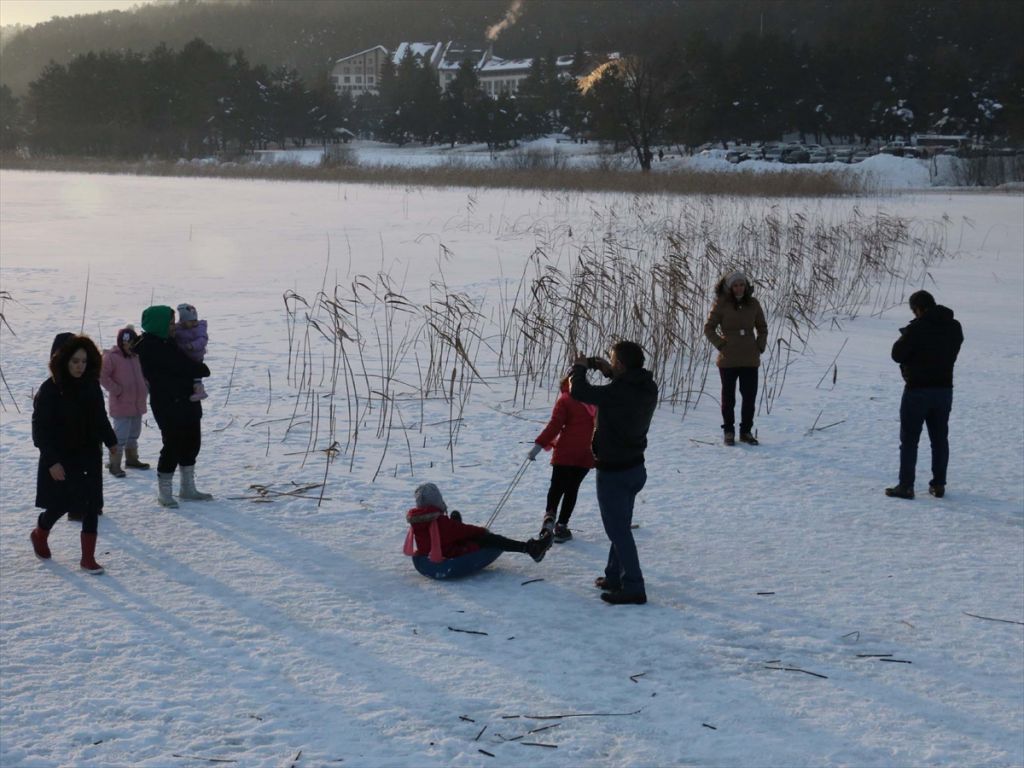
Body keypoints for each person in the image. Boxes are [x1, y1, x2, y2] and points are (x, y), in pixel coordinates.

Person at [569, 341, 658, 605]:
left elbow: (578, 391)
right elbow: (624, 384)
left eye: (613, 360)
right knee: (621, 525)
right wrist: (609, 370)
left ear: (621, 364)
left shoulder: (616, 393)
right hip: (635, 469)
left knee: (618, 531)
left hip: (613, 472)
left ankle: (634, 586)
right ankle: (614, 576)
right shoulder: (647, 386)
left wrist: (580, 368)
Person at [30, 333, 118, 574]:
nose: (80, 366)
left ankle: (87, 559)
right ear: (62, 361)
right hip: (61, 457)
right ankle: (40, 532)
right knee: (61, 504)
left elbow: (100, 417)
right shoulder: (50, 390)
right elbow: (40, 430)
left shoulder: (91, 385)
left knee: (90, 505)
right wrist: (52, 461)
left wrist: (111, 442)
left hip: (89, 453)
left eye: (84, 361)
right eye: (75, 361)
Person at [886, 290, 964, 499]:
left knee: (910, 440)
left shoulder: (916, 329)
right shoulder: (954, 326)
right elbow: (952, 348)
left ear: (918, 309)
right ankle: (939, 485)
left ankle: (906, 486)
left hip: (917, 390)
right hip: (944, 390)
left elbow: (897, 354)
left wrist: (907, 336)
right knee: (939, 439)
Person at [135, 305, 212, 507]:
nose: (174, 326)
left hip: (187, 399)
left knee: (192, 441)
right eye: (169, 323)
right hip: (168, 403)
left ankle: (187, 487)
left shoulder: (170, 341)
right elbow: (181, 366)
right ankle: (165, 491)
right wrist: (200, 369)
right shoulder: (150, 346)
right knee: (173, 443)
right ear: (158, 324)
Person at [403, 483, 552, 563]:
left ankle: (529, 548)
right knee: (489, 539)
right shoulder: (440, 522)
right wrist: (481, 531)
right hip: (450, 552)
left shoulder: (418, 521)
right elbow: (464, 531)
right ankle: (530, 548)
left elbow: (449, 531)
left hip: (437, 546)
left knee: (454, 520)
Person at [527, 374, 596, 543]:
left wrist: (538, 446)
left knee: (557, 487)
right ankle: (562, 526)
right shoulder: (595, 402)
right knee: (572, 489)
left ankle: (549, 519)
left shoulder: (565, 400)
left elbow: (554, 426)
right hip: (586, 454)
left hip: (565, 453)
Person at [703, 270, 768, 445]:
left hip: (750, 358)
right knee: (728, 397)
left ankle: (746, 431)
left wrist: (759, 346)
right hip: (728, 359)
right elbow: (709, 328)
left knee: (749, 397)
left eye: (742, 285)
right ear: (729, 287)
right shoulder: (721, 305)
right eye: (735, 285)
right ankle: (729, 431)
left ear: (746, 287)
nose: (739, 288)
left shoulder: (753, 304)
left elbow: (762, 328)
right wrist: (722, 345)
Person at [99, 325, 150, 477]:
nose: (130, 347)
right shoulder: (112, 357)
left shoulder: (137, 357)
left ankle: (132, 459)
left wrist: (146, 386)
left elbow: (144, 373)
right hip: (121, 404)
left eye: (133, 344)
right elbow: (102, 376)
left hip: (137, 403)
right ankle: (115, 464)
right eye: (127, 344)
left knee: (134, 433)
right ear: (121, 343)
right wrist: (117, 390)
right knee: (120, 436)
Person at [173, 303, 209, 401]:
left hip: (196, 356)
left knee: (196, 376)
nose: (194, 323)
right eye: (190, 321)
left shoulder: (200, 328)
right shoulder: (180, 327)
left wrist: (192, 346)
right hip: (185, 355)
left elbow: (202, 340)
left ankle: (200, 392)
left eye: (194, 320)